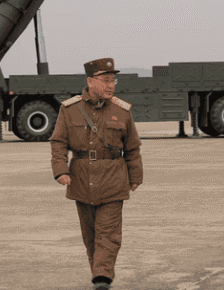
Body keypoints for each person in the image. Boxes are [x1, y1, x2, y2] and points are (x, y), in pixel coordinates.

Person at [51, 58, 143, 290]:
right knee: (90, 236)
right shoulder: (70, 109)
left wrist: (135, 176)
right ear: (90, 82)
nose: (111, 85)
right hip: (81, 180)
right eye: (106, 80)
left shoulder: (122, 111)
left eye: (113, 81)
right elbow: (58, 142)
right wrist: (60, 170)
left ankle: (102, 278)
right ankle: (100, 272)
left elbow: (132, 147)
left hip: (113, 179)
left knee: (108, 234)